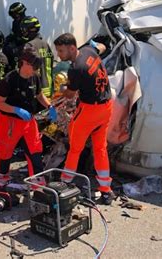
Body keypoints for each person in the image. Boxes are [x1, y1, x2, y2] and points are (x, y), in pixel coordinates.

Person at [53, 33, 115, 205]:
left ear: (72, 48)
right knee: (100, 148)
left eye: (61, 51)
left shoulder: (75, 69)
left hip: (89, 111)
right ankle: (106, 190)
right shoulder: (89, 50)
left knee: (75, 148)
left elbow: (70, 94)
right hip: (107, 107)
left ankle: (65, 183)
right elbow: (101, 47)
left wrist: (61, 90)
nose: (59, 55)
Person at [0, 47, 57, 190]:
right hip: (8, 122)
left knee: (35, 150)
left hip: (28, 121)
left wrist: (49, 106)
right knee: (5, 152)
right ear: (25, 63)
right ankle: (1, 180)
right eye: (34, 67)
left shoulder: (35, 77)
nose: (36, 70)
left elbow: (39, 95)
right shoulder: (9, 80)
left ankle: (37, 182)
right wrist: (16, 110)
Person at [20, 16, 54, 99]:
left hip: (36, 91)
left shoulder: (28, 46)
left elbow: (24, 69)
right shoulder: (46, 44)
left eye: (23, 29)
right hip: (49, 89)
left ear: (28, 29)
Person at [3, 2, 27, 71]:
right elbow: (15, 34)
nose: (14, 17)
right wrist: (6, 39)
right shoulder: (15, 22)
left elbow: (27, 37)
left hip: (26, 45)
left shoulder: (27, 22)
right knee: (6, 48)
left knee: (12, 51)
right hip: (17, 44)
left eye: (14, 15)